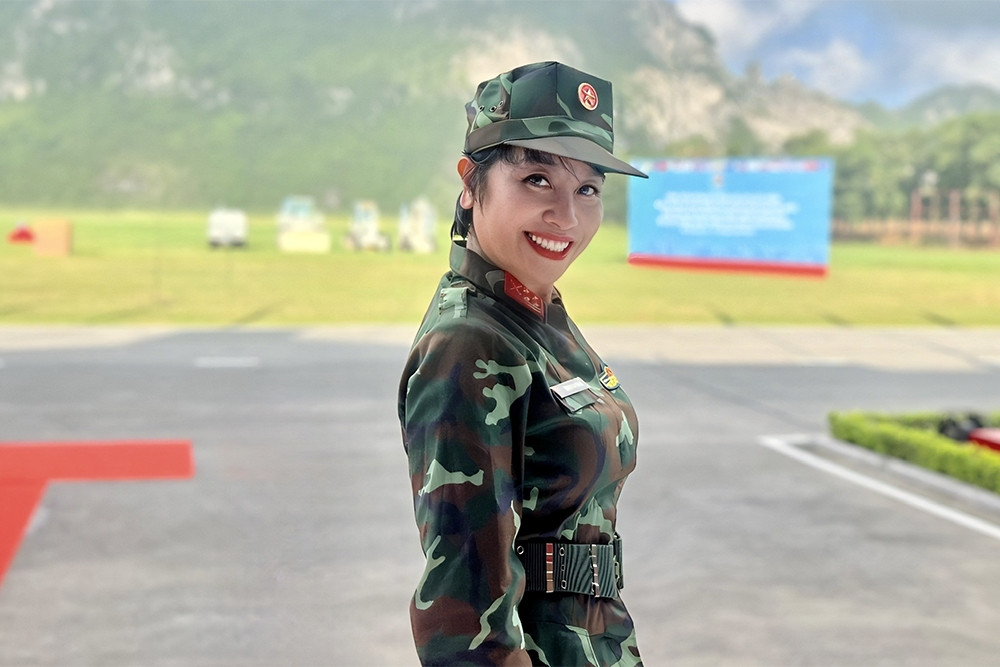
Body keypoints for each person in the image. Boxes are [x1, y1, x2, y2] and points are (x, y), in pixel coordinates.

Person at [397, 61, 647, 666]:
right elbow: (462, 608)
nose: (567, 216)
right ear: (470, 182)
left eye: (588, 189)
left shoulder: (535, 312)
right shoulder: (470, 342)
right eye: (537, 179)